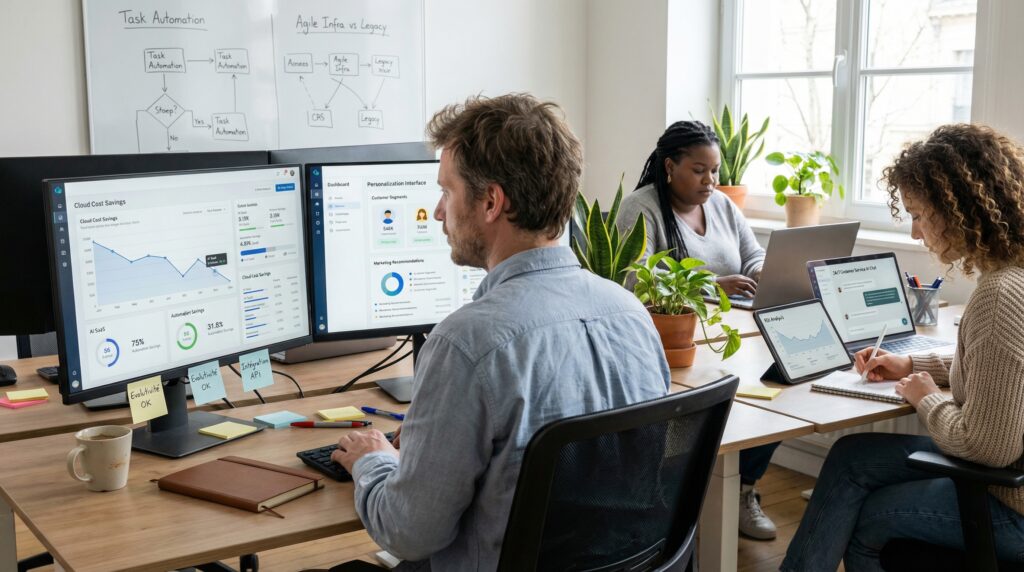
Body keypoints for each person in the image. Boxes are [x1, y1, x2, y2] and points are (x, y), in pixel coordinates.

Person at [331, 93, 672, 570]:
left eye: (447, 192)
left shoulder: (466, 344)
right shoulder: (631, 314)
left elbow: (408, 533)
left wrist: (372, 459)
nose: (438, 212)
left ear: (491, 202)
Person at [782, 123, 1024, 571]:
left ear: (958, 209)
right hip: (1008, 481)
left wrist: (925, 397)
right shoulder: (1014, 275)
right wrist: (911, 363)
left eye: (918, 215)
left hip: (1012, 507)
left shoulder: (1000, 295)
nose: (915, 233)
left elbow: (988, 448)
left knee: (870, 518)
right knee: (850, 456)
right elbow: (1003, 368)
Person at [615, 120, 779, 540]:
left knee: (778, 394)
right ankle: (682, 500)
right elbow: (635, 279)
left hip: (734, 336)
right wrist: (713, 286)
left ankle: (743, 489)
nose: (711, 181)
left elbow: (752, 254)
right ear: (670, 167)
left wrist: (762, 273)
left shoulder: (722, 205)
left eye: (715, 170)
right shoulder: (642, 207)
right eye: (699, 170)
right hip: (675, 344)